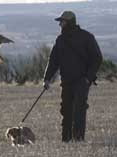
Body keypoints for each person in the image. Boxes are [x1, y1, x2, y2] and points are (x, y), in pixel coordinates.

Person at [43, 11, 103, 142]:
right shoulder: (60, 40)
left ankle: (78, 140)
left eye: (62, 21)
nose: (60, 24)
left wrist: (88, 78)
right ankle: (66, 140)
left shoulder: (87, 37)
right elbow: (53, 60)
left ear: (69, 22)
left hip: (82, 80)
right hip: (66, 81)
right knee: (66, 110)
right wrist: (47, 78)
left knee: (79, 110)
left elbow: (97, 58)